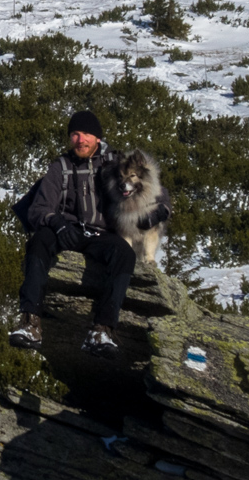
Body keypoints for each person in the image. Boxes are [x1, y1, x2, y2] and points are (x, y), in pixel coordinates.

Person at [8, 110, 159, 356]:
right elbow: (38, 209)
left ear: (97, 138)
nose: (81, 140)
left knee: (125, 254)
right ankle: (30, 323)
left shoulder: (115, 162)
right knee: (39, 242)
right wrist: (56, 222)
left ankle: (102, 330)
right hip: (67, 230)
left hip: (103, 235)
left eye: (87, 134)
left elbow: (149, 184)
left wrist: (159, 210)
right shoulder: (61, 167)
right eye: (75, 134)